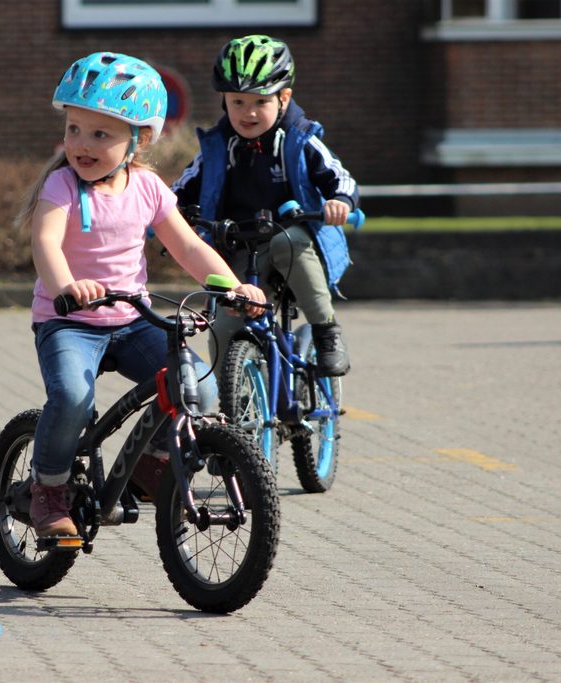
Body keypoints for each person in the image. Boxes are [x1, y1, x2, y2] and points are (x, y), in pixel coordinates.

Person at [19, 51, 265, 537]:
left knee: (199, 385)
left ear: (140, 138)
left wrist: (232, 287)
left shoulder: (149, 188)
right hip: (68, 320)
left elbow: (190, 248)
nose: (82, 145)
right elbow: (45, 242)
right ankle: (47, 489)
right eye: (74, 130)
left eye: (100, 134)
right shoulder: (61, 185)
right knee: (71, 395)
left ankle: (149, 470)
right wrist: (66, 286)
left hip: (132, 320)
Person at [172, 35, 360, 377]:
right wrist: (166, 212)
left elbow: (340, 178)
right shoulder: (217, 146)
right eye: (238, 102)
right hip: (238, 248)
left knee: (289, 240)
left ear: (284, 98)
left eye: (260, 101)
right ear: (224, 100)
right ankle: (236, 398)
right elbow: (180, 190)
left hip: (289, 247)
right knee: (224, 324)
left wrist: (339, 201)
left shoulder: (300, 139)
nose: (249, 112)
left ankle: (326, 329)